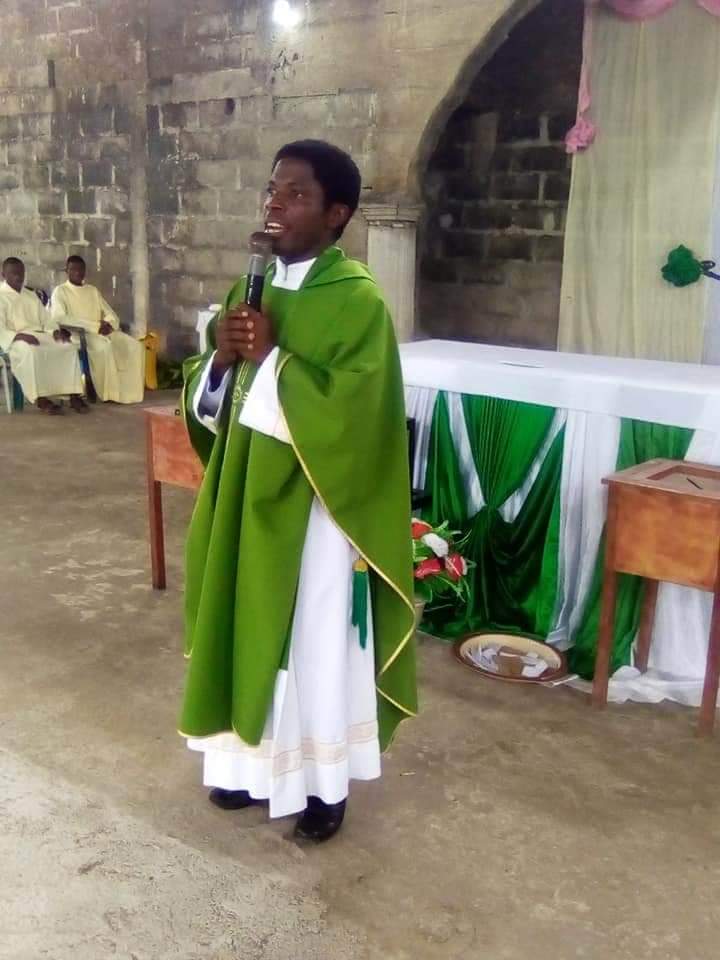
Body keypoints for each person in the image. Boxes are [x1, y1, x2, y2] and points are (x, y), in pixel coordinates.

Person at [180, 139, 417, 842]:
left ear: (337, 213)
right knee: (238, 623)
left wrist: (274, 358)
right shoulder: (246, 288)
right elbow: (211, 400)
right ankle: (245, 766)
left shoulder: (358, 302)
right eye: (271, 189)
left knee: (309, 645)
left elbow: (357, 418)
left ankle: (321, 785)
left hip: (317, 513)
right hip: (243, 499)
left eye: (296, 194)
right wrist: (219, 361)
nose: (274, 204)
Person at [50, 256, 145, 404]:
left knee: (135, 346)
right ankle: (109, 394)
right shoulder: (60, 291)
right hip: (80, 334)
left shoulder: (92, 290)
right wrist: (94, 326)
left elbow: (110, 313)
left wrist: (109, 324)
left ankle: (130, 392)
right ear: (67, 271)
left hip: (102, 331)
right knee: (104, 348)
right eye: (73, 269)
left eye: (81, 269)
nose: (78, 272)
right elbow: (61, 318)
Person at [0, 257, 85, 414]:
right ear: (3, 274)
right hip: (15, 340)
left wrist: (55, 332)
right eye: (13, 274)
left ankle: (72, 394)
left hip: (38, 334)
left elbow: (46, 319)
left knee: (68, 347)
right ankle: (41, 399)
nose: (18, 276)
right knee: (32, 352)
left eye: (21, 273)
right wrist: (19, 336)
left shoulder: (30, 295)